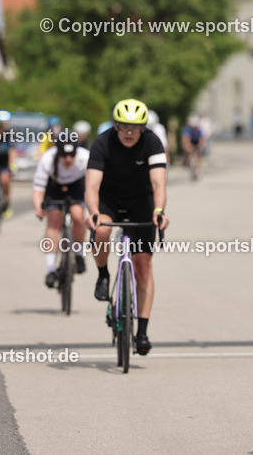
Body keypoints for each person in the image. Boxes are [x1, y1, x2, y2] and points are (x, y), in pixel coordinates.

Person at [86, 99, 169, 355]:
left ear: (143, 128)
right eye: (124, 126)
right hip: (108, 199)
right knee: (101, 230)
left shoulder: (153, 143)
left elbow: (158, 184)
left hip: (141, 201)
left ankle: (142, 331)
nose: (130, 132)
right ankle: (103, 274)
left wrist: (158, 211)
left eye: (135, 127)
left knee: (143, 264)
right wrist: (94, 213)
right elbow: (91, 186)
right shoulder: (102, 143)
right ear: (116, 125)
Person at [33, 140, 90, 288]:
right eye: (64, 155)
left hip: (77, 185)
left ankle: (79, 254)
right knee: (53, 220)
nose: (68, 159)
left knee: (78, 216)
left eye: (72, 155)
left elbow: (97, 183)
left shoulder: (85, 157)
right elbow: (38, 189)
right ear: (58, 153)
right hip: (54, 187)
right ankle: (51, 269)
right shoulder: (47, 159)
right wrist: (38, 206)